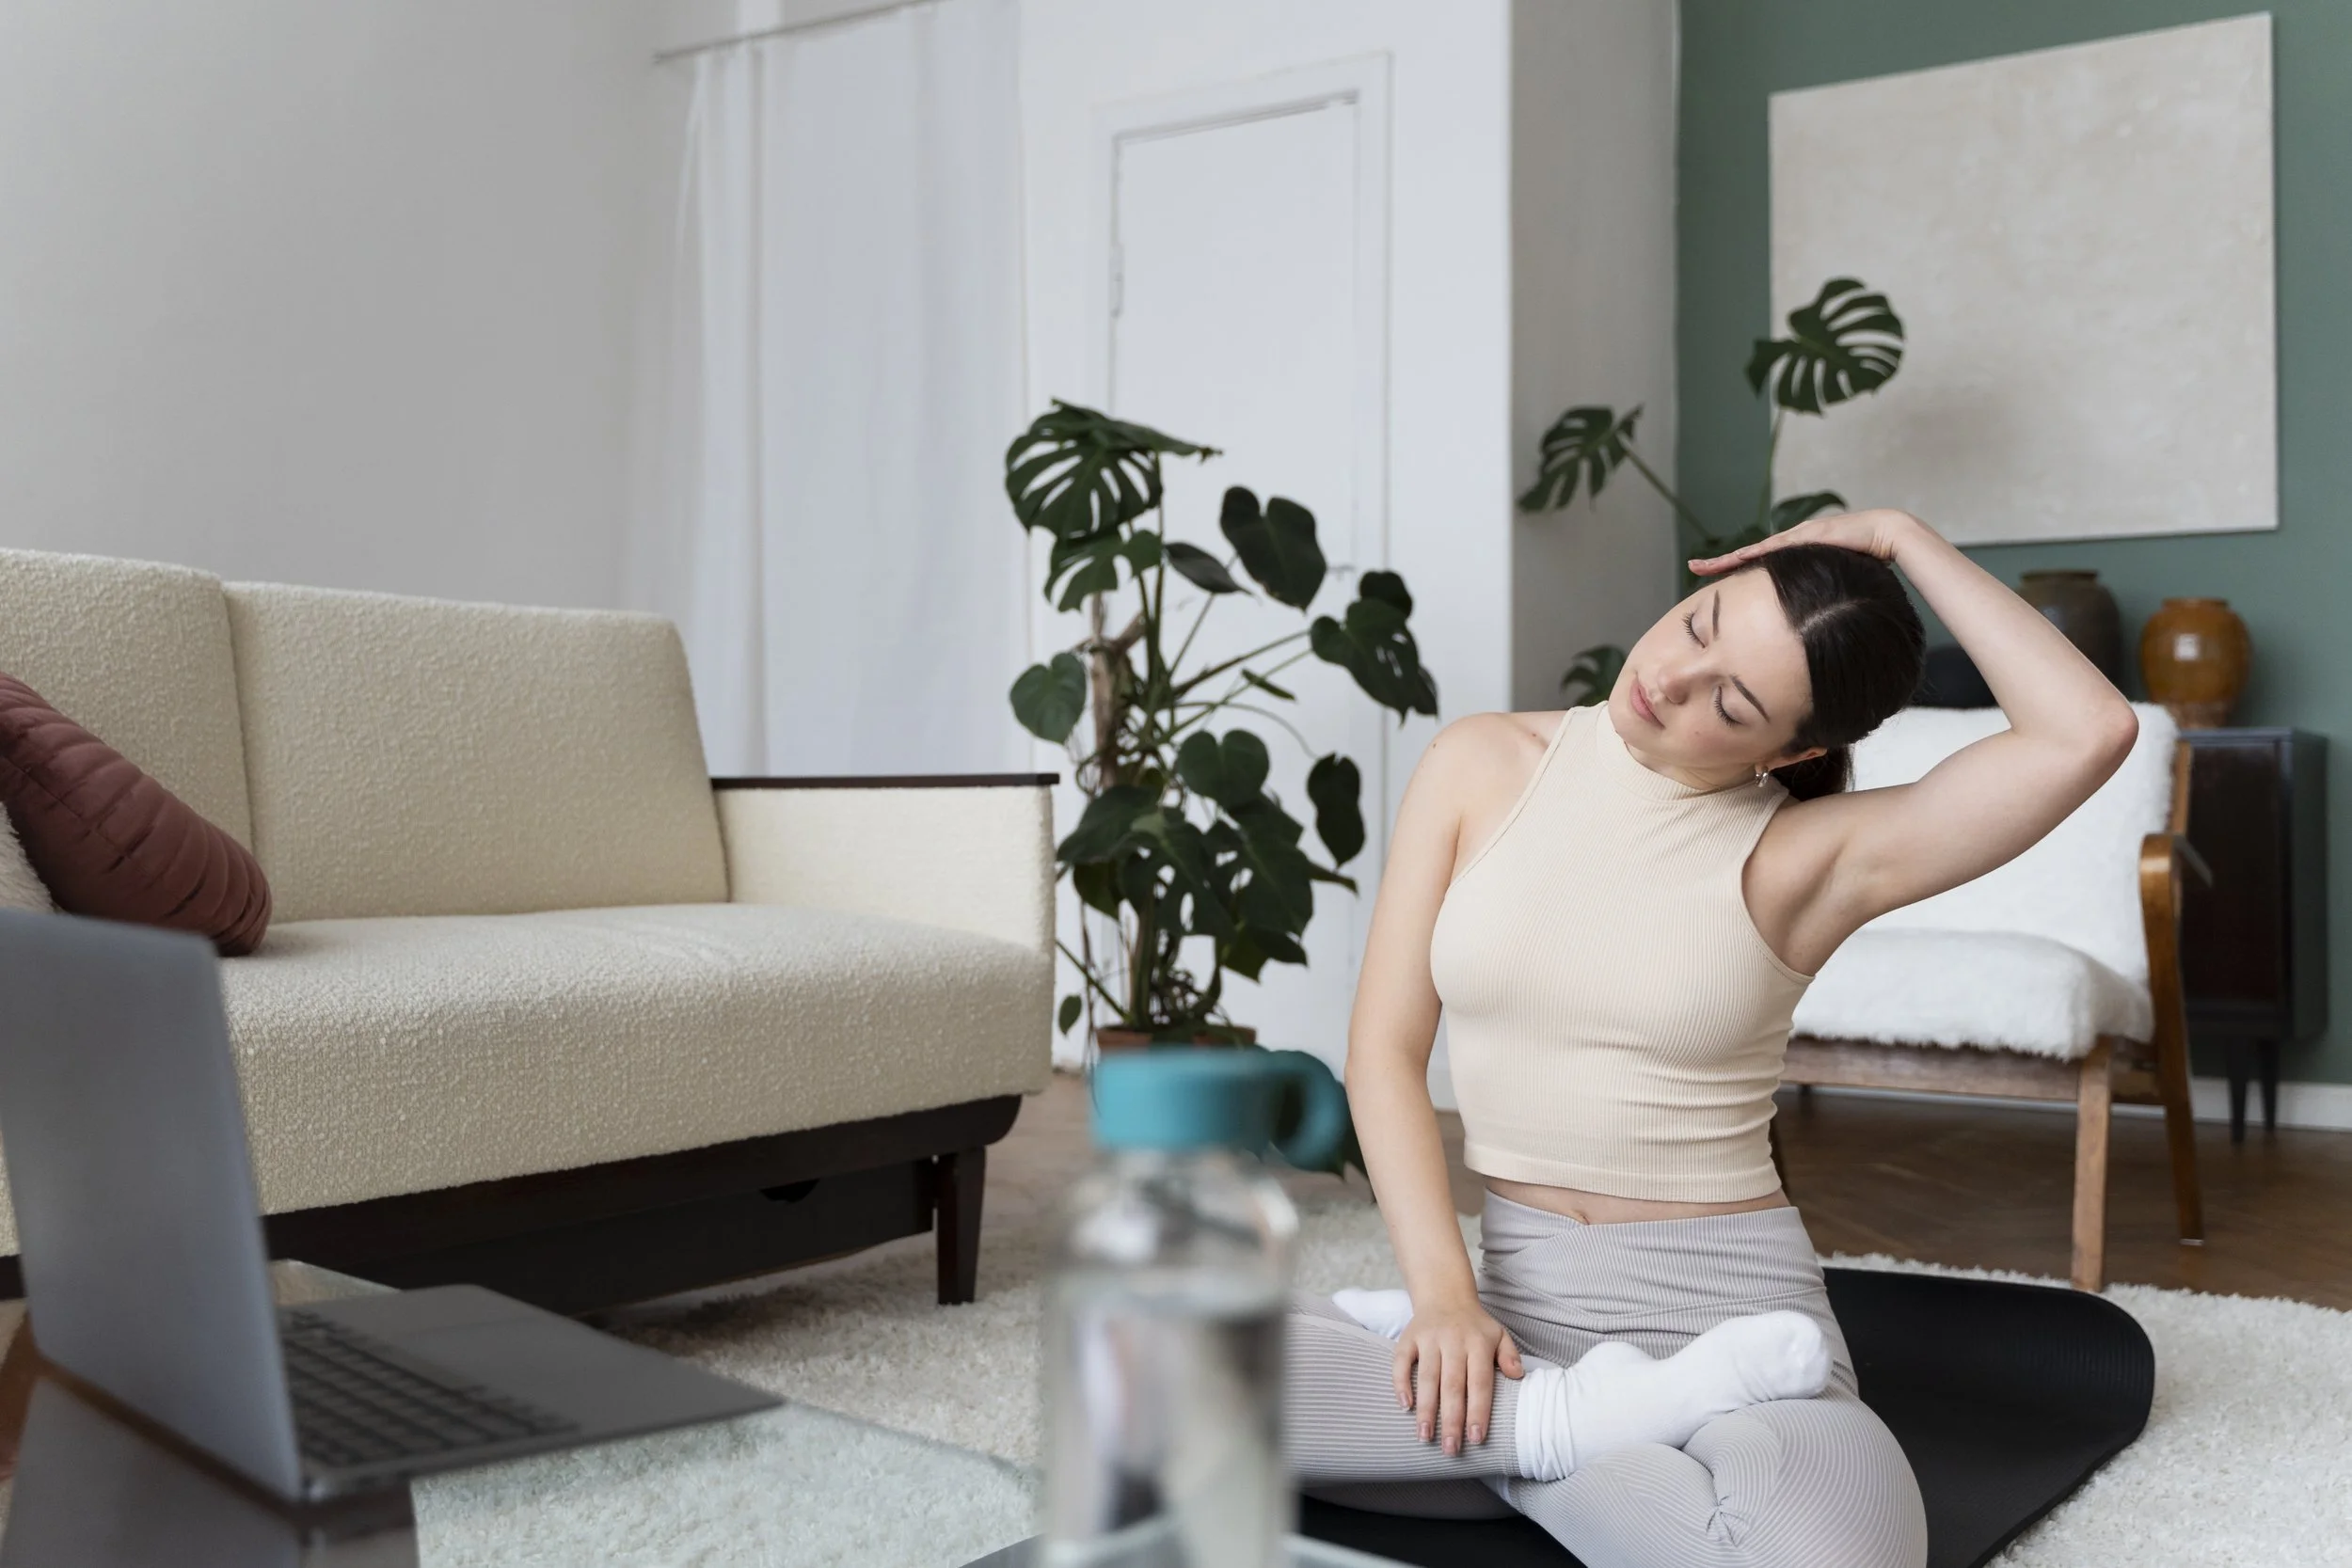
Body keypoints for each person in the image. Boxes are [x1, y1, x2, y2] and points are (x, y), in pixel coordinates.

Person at [1285, 509, 2141, 1568]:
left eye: (1731, 703)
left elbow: (2086, 731)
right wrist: (1444, 1300)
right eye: (1697, 627)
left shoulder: (1806, 856)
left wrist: (1900, 538)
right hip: (1510, 1310)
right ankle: (1568, 1425)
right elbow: (1382, 1055)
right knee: (1144, 1368)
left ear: (1796, 749)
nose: (1670, 681)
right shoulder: (1479, 762)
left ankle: (1537, 1441)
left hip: (1730, 1330)